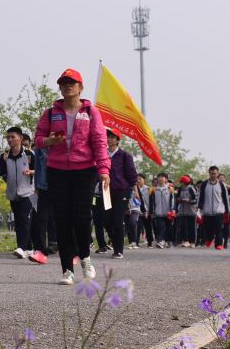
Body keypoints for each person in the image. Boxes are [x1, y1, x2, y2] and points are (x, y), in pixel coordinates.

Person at [34, 68, 109, 286]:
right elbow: (38, 139)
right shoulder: (50, 113)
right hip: (57, 171)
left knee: (81, 217)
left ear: (80, 87)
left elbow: (99, 142)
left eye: (72, 83)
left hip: (85, 170)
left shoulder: (91, 112)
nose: (67, 86)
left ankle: (85, 257)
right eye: (63, 83)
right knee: (62, 219)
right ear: (59, 88)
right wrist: (49, 141)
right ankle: (67, 269)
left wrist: (104, 170)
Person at [0, 126, 45, 262]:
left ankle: (22, 248)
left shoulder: (30, 154)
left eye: (13, 137)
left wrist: (31, 172)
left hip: (28, 192)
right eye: (8, 137)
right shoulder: (5, 156)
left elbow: (40, 169)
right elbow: (0, 169)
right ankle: (28, 247)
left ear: (20, 138)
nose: (10, 140)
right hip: (13, 193)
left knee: (24, 218)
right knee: (19, 220)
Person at [104, 130, 138, 259]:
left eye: (112, 137)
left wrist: (135, 190)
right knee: (107, 221)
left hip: (121, 191)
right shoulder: (102, 154)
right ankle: (115, 242)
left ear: (118, 140)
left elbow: (131, 174)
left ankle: (118, 250)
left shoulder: (125, 156)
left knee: (118, 220)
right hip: (106, 191)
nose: (109, 139)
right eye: (108, 137)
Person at [28, 133, 54, 256]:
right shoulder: (40, 147)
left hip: (60, 185)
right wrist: (37, 186)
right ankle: (40, 248)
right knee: (41, 217)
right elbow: (37, 167)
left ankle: (65, 245)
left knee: (61, 217)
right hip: (43, 185)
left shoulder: (61, 144)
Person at [197, 166, 230, 250]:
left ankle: (218, 244)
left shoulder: (221, 184)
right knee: (208, 229)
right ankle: (209, 239)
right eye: (211, 173)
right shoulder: (204, 184)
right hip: (207, 211)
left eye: (215, 173)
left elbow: (226, 198)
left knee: (219, 229)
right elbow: (201, 197)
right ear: (209, 173)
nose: (213, 175)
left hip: (219, 211)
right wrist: (199, 208)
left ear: (217, 174)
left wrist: (227, 210)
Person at [148, 173, 173, 249]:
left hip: (168, 213)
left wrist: (173, 210)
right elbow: (151, 202)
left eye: (162, 177)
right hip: (158, 212)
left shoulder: (170, 189)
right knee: (160, 227)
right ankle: (161, 241)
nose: (160, 178)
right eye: (159, 177)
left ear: (166, 179)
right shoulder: (153, 189)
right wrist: (152, 212)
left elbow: (173, 200)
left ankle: (168, 241)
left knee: (169, 228)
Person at [173, 175, 199, 246]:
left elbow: (195, 200)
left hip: (191, 211)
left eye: (181, 182)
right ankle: (186, 241)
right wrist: (179, 200)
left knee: (192, 227)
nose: (180, 183)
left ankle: (193, 242)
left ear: (184, 182)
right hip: (182, 211)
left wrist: (189, 201)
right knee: (184, 227)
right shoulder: (180, 189)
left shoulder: (191, 188)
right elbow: (177, 197)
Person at [127, 174, 149, 248]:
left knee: (132, 223)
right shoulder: (125, 186)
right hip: (126, 209)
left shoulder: (136, 188)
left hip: (135, 208)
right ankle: (131, 242)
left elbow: (141, 199)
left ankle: (134, 241)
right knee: (128, 225)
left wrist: (144, 211)